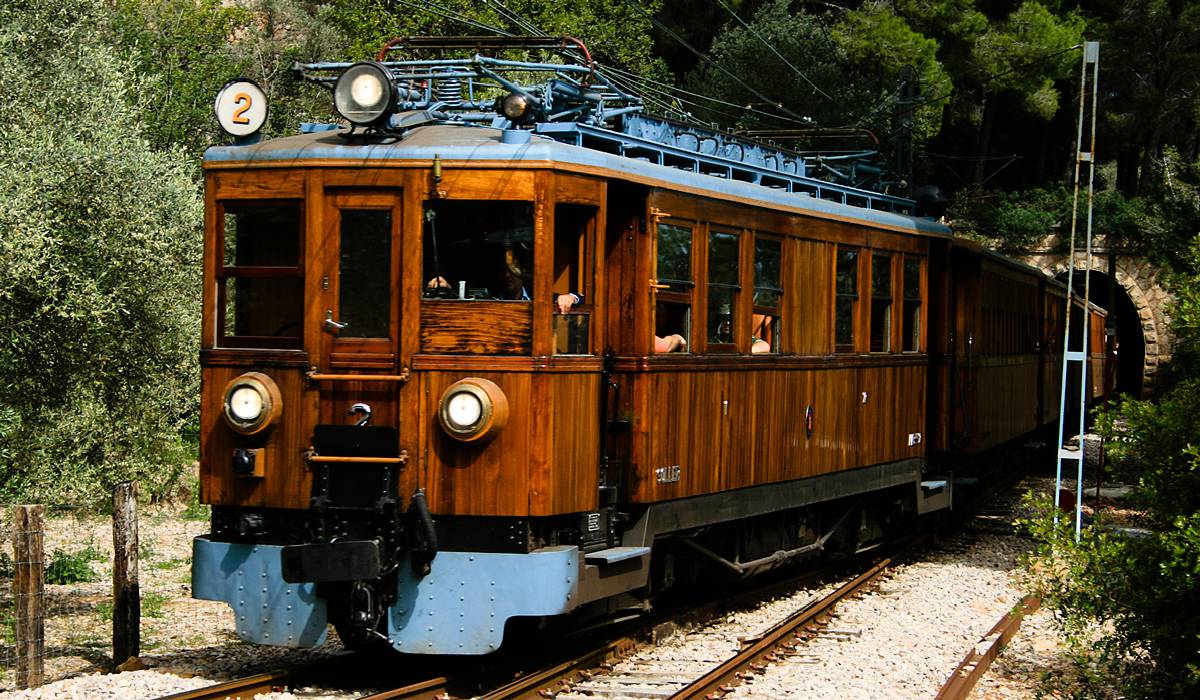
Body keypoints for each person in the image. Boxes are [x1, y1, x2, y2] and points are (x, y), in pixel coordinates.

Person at [426, 245, 582, 312]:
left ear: (522, 272)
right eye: (503, 271)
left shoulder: (539, 298)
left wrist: (570, 297)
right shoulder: (488, 296)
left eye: (512, 271)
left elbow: (582, 297)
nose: (507, 276)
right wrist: (445, 289)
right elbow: (462, 300)